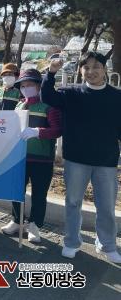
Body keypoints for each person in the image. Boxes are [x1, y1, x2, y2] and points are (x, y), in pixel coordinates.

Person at [42, 53, 121, 263]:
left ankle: (107, 244)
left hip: (106, 160)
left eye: (96, 67)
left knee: (106, 206)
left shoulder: (116, 96)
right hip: (76, 159)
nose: (91, 71)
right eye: (86, 67)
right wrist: (51, 72)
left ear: (105, 69)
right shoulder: (71, 93)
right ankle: (71, 242)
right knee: (73, 202)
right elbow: (47, 97)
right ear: (80, 70)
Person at [1, 69, 62, 243]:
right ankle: (17, 220)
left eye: (30, 85)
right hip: (20, 157)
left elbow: (57, 130)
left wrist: (38, 132)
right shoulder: (19, 105)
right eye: (23, 86)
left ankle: (35, 225)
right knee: (16, 191)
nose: (26, 88)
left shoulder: (49, 107)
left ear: (39, 86)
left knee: (39, 194)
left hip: (42, 159)